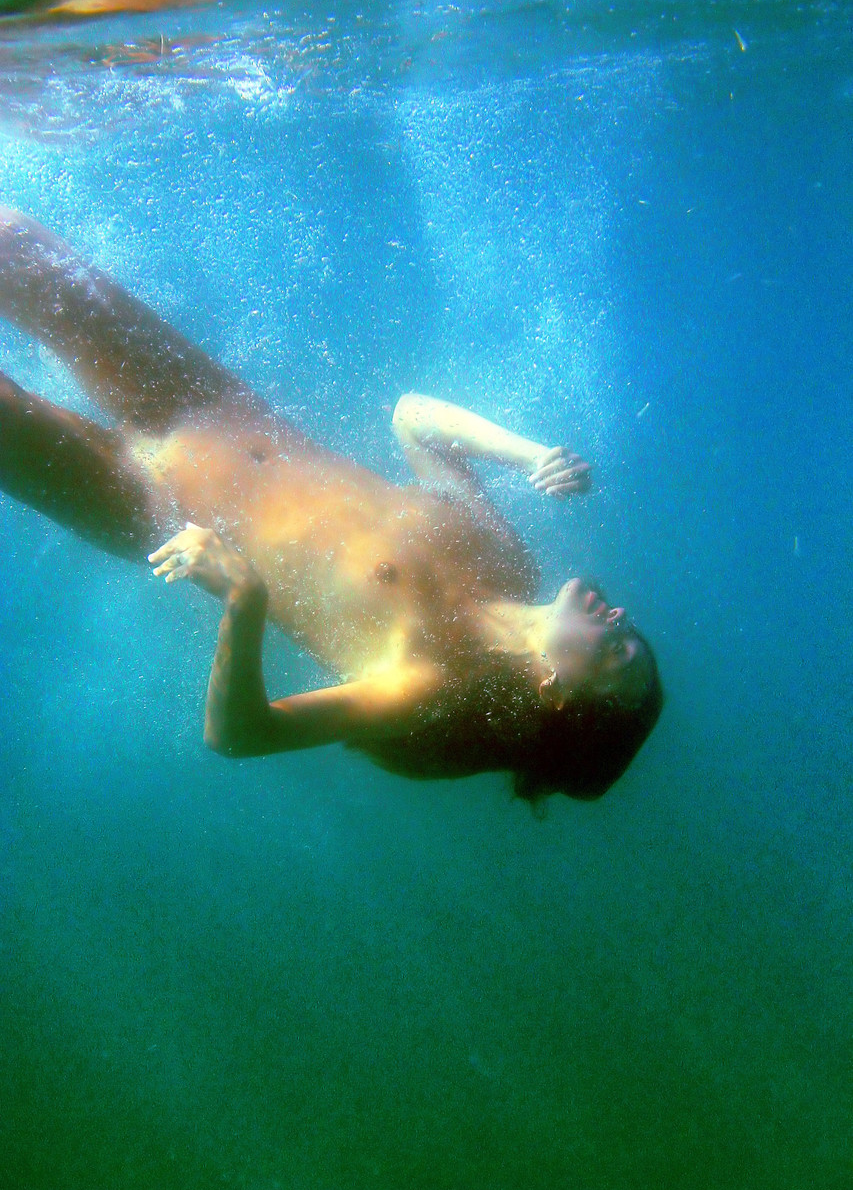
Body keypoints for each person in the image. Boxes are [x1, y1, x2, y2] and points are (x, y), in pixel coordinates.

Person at [0, 205, 662, 803]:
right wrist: (529, 455)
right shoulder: (508, 560)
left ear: (555, 691)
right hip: (204, 401)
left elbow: (238, 735)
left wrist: (244, 600)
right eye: (630, 633)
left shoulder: (426, 681)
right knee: (10, 241)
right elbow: (414, 419)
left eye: (618, 653)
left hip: (145, 502)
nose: (621, 619)